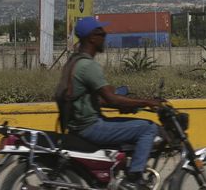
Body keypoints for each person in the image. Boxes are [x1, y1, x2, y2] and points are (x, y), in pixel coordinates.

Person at [58, 16, 161, 189]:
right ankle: (135, 178)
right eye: (102, 33)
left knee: (131, 126)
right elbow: (110, 98)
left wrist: (127, 104)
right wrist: (148, 102)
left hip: (80, 124)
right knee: (148, 128)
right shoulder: (88, 66)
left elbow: (98, 99)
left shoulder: (74, 61)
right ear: (92, 38)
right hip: (91, 127)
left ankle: (121, 170)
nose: (105, 36)